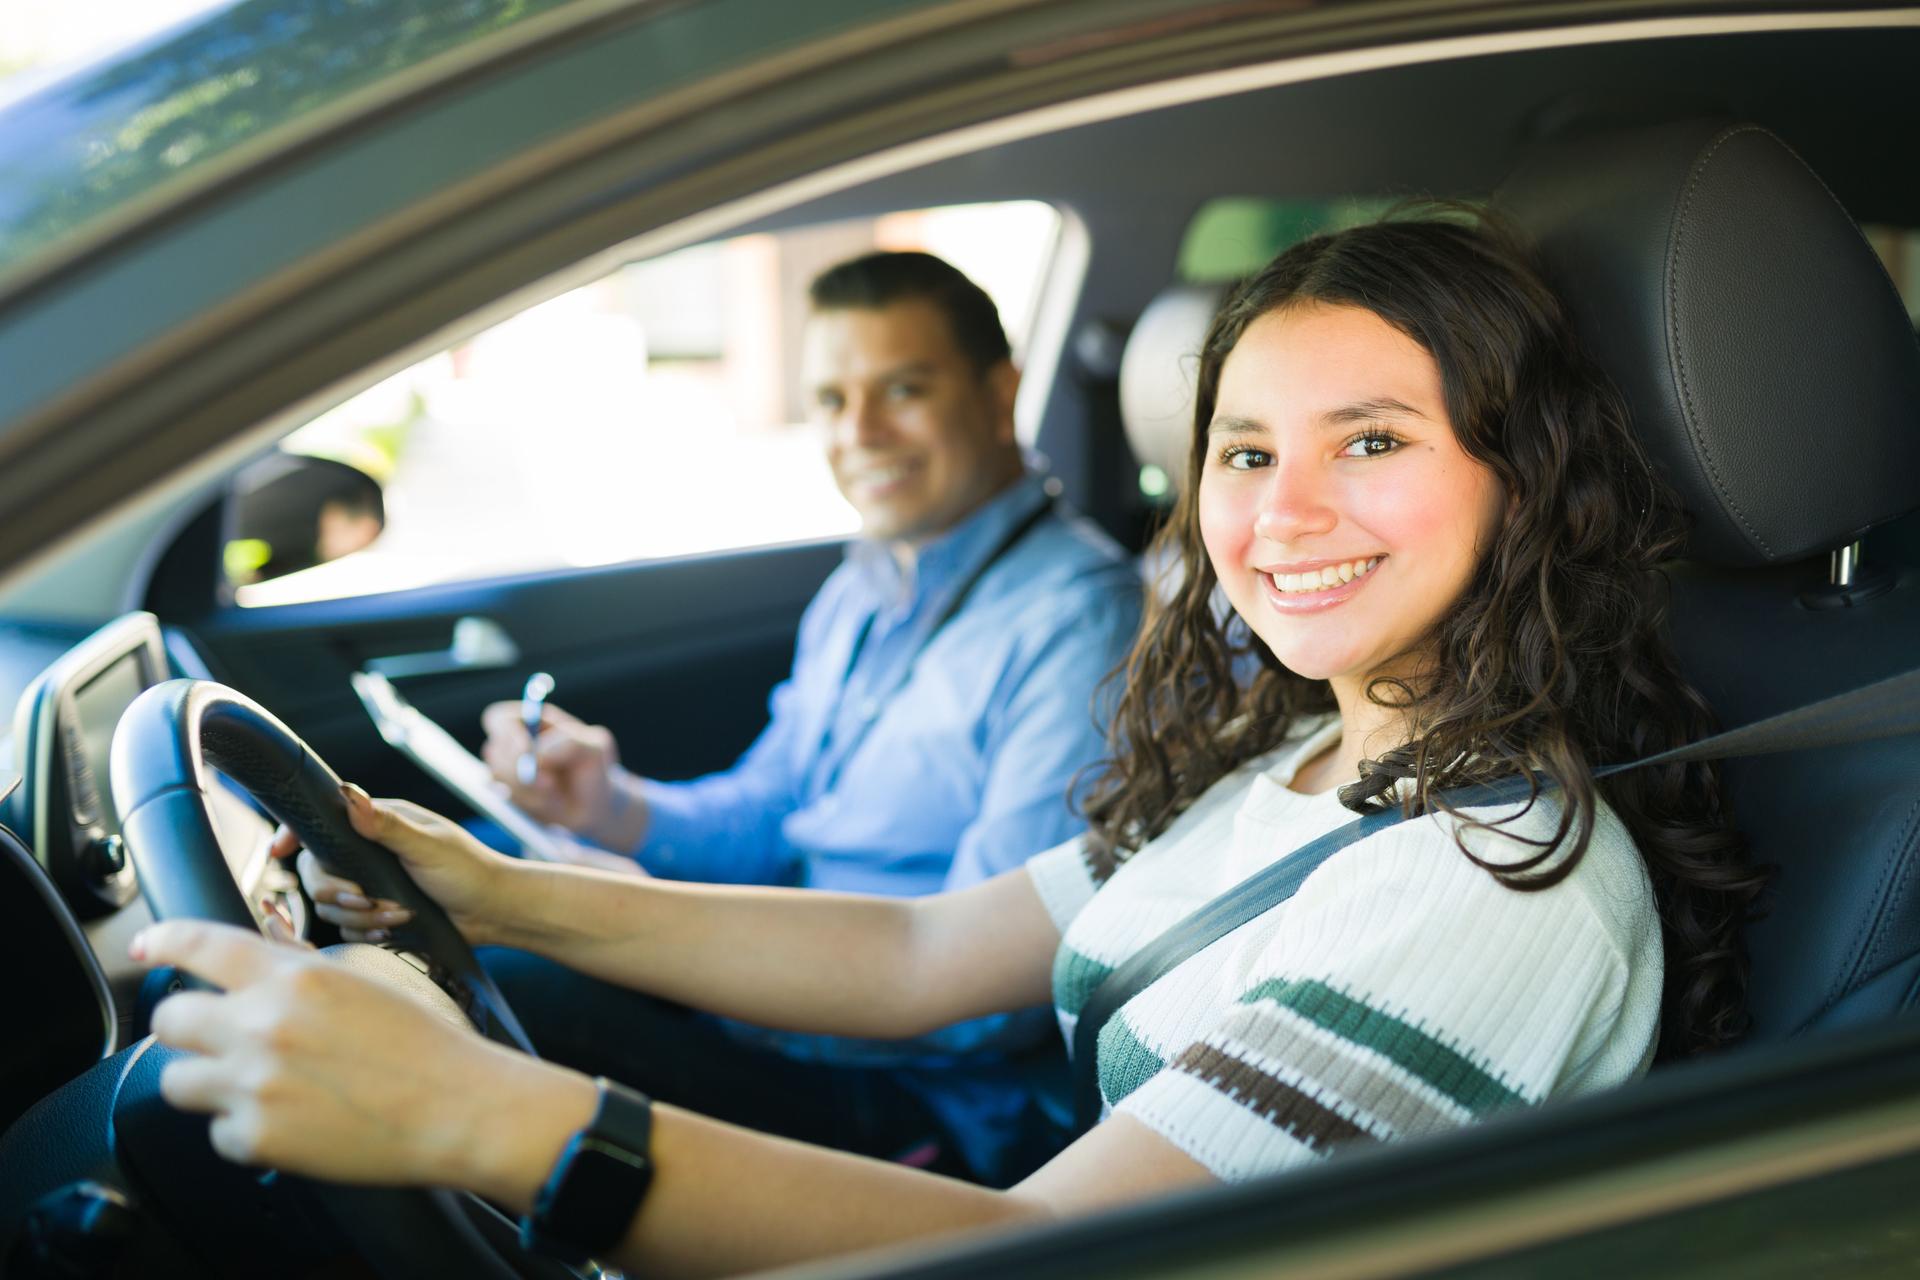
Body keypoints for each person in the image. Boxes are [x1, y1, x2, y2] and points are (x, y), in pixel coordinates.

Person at [134, 211, 1766, 1278]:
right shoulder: (1296, 761)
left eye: (1375, 442)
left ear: (1525, 477)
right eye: (1247, 450)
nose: (1285, 515)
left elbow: (1038, 1252)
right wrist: (495, 893)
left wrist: (488, 1118)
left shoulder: (1489, 883)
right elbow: (920, 946)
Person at [468, 249, 1144, 1185]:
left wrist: (676, 959)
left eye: (902, 389)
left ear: (1000, 394)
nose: (859, 431)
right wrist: (612, 811)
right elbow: (771, 815)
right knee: (487, 863)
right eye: (831, 399)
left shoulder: (1078, 625)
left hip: (917, 1100)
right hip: (789, 1000)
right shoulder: (862, 587)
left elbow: (993, 1001)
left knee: (518, 981)